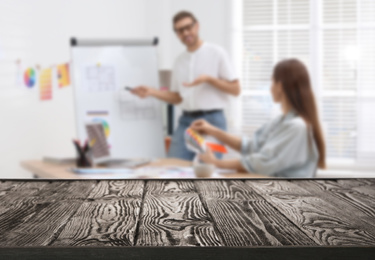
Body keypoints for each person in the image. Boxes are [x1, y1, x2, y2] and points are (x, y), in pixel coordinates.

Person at [131, 11, 240, 160]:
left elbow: (236, 89)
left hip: (213, 121)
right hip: (186, 121)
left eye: (189, 27)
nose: (186, 33)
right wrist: (151, 92)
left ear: (197, 26)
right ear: (177, 34)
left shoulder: (217, 53)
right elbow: (177, 98)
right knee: (172, 168)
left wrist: (209, 79)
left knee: (208, 170)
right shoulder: (179, 61)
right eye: (180, 30)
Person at [190, 59, 326, 178]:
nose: (270, 87)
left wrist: (217, 163)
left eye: (272, 81)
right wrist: (212, 130)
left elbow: (263, 162)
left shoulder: (297, 127)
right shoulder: (281, 122)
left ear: (280, 86)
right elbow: (251, 147)